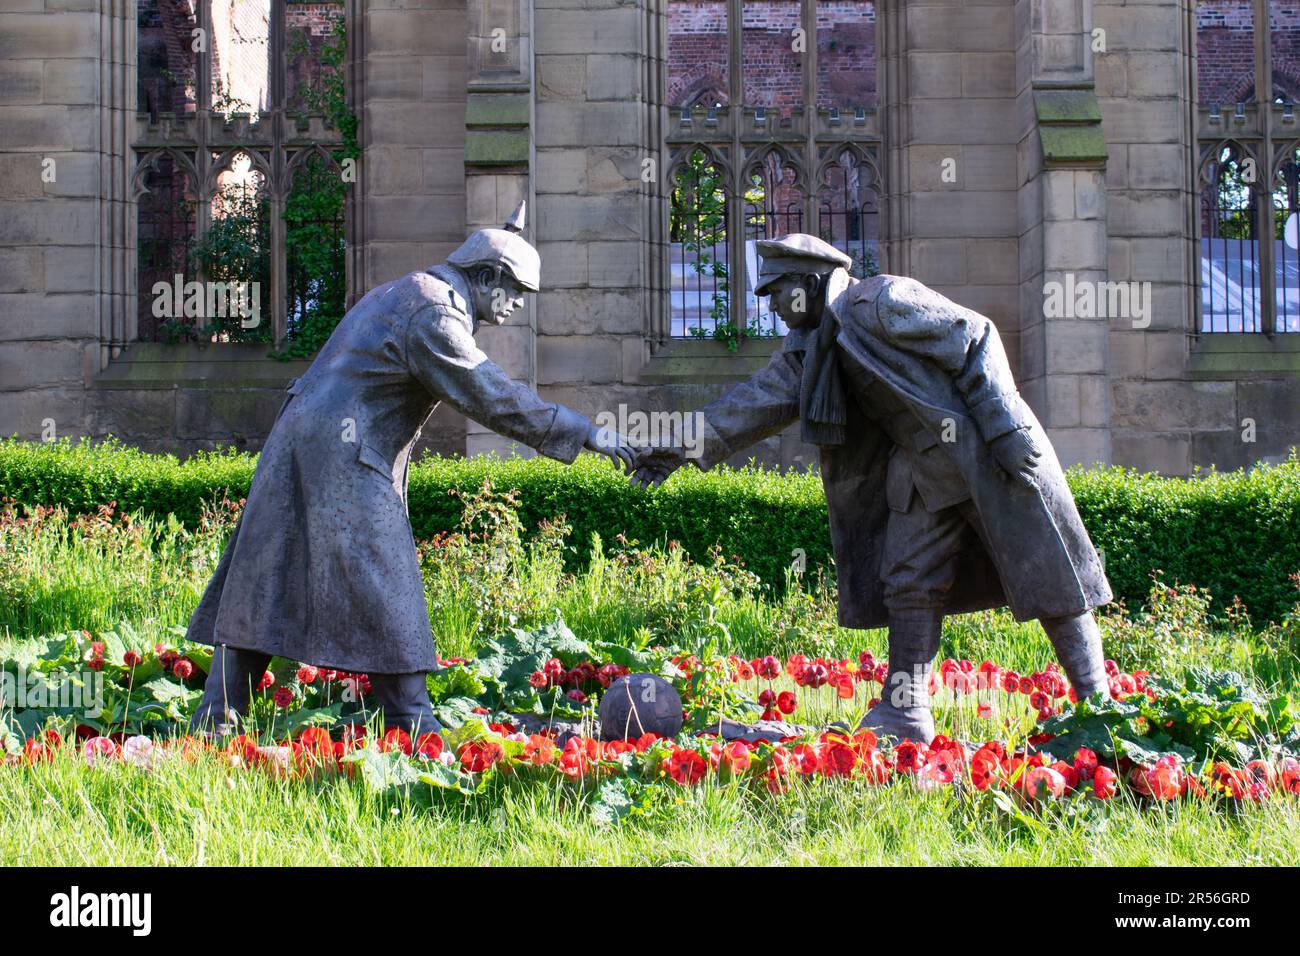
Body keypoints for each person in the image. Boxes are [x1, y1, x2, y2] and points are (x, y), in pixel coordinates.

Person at [631, 233, 1112, 742]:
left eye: (775, 292)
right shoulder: (810, 347)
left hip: (986, 454)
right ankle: (906, 711)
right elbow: (751, 404)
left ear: (809, 283)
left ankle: (1099, 707)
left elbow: (975, 335)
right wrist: (677, 448)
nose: (770, 306)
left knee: (1048, 571)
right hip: (923, 473)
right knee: (908, 580)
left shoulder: (879, 301)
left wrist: (1007, 428)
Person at [187, 202, 634, 738]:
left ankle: (217, 719)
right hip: (345, 455)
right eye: (514, 290)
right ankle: (413, 723)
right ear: (486, 275)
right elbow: (490, 393)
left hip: (298, 439)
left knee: (268, 572)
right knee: (386, 580)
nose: (517, 304)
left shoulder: (405, 290)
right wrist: (588, 433)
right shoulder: (435, 313)